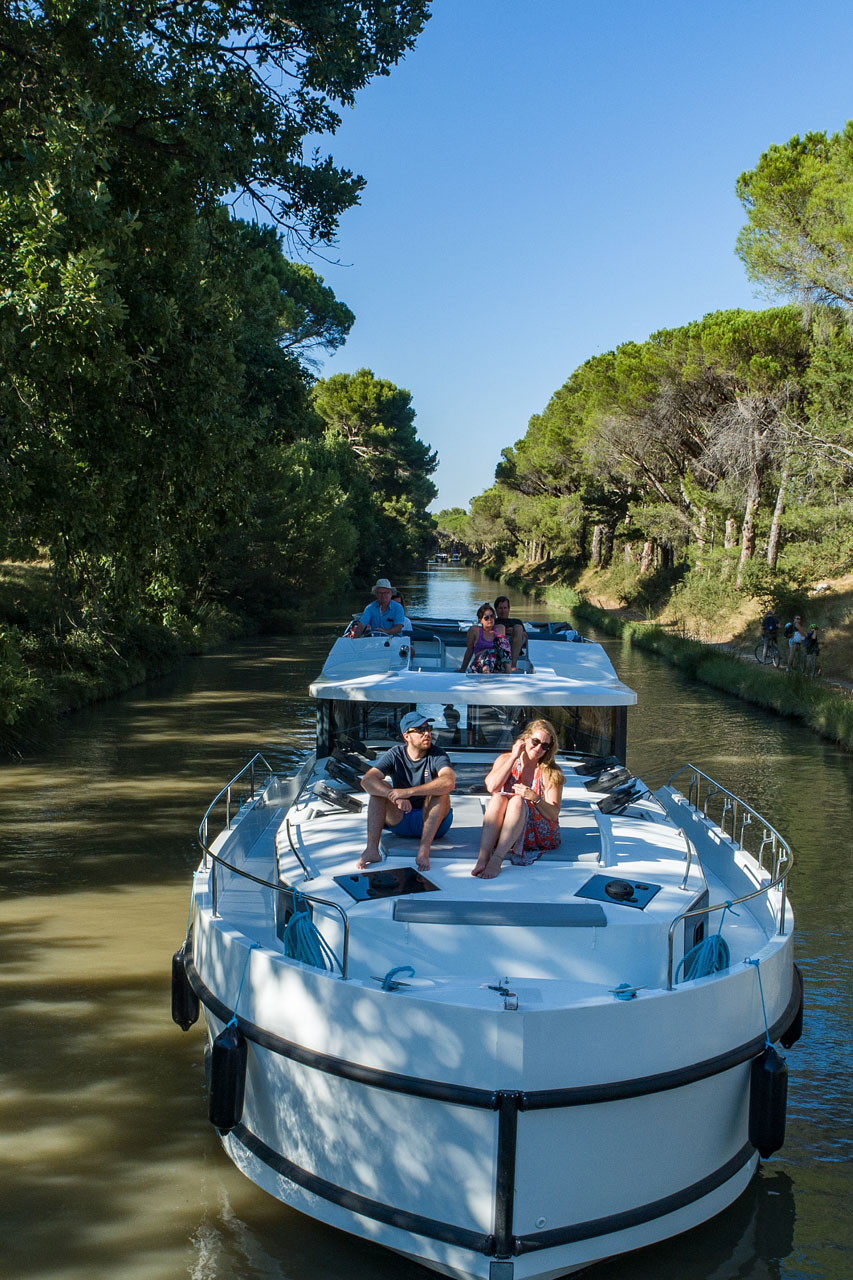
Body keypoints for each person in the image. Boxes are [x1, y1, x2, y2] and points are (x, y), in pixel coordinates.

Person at [357, 711, 455, 871]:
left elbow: (449, 781)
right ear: (406, 736)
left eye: (428, 728)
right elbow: (367, 781)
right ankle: (372, 850)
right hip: (400, 820)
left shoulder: (437, 754)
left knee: (441, 791)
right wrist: (394, 796)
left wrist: (408, 792)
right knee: (379, 789)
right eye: (420, 730)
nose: (427, 733)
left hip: (435, 825)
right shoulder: (395, 754)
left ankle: (423, 851)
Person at [472, 719, 564, 879]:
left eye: (545, 746)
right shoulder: (505, 760)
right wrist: (514, 756)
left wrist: (535, 798)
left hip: (537, 833)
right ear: (525, 738)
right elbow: (492, 787)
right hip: (505, 829)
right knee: (498, 798)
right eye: (535, 742)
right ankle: (483, 857)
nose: (538, 748)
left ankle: (497, 859)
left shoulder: (550, 772)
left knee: (516, 801)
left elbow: (553, 814)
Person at [458, 603, 511, 673]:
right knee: (488, 655)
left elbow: (503, 650)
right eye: (486, 618)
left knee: (502, 640)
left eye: (492, 616)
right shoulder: (474, 631)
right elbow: (469, 651)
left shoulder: (500, 628)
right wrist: (463, 669)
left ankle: (508, 671)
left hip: (496, 663)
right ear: (480, 620)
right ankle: (486, 672)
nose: (490, 619)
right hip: (480, 663)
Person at [494, 596, 528, 671]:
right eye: (500, 608)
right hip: (498, 646)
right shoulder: (493, 621)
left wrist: (514, 632)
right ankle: (503, 663)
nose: (503, 611)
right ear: (496, 610)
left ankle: (513, 665)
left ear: (509, 609)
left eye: (505, 608)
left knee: (518, 628)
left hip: (515, 644)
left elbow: (526, 637)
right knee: (500, 627)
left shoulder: (517, 622)